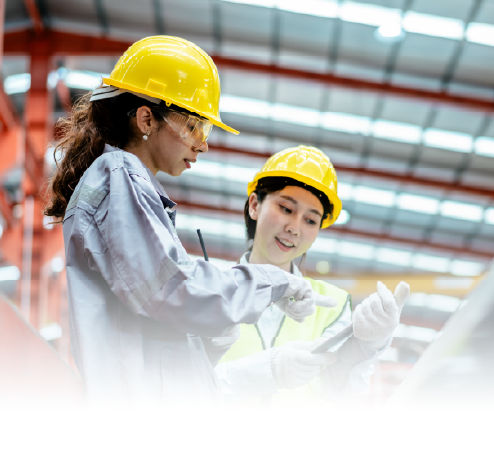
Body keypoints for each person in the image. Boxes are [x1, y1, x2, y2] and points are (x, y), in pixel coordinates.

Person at [43, 36, 337, 405]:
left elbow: (155, 314)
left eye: (206, 130)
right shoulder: (118, 175)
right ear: (146, 118)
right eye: (193, 126)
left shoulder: (128, 185)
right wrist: (272, 282)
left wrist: (205, 342)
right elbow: (171, 287)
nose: (202, 144)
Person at [215, 145, 410, 403]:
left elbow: (336, 392)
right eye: (286, 209)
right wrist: (264, 371)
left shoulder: (333, 303)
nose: (294, 228)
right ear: (254, 205)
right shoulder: (210, 289)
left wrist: (366, 345)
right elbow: (183, 382)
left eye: (310, 220)